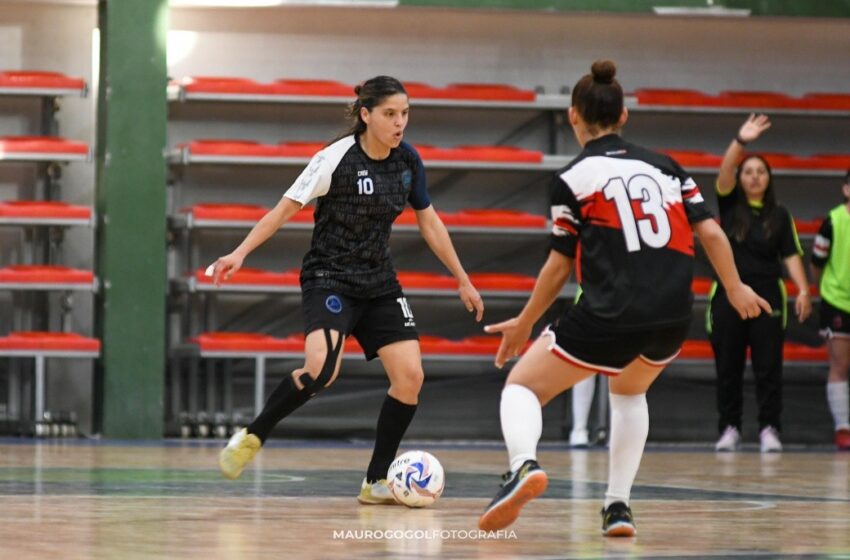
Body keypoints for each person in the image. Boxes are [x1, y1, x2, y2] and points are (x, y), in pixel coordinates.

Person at [477, 60, 770, 537]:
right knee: (630, 392)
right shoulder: (668, 167)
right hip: (672, 315)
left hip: (611, 311)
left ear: (573, 116)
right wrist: (735, 289)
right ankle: (617, 507)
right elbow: (712, 233)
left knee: (522, 387)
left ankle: (522, 466)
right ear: (624, 115)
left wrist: (526, 321)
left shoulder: (573, 177)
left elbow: (558, 266)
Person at [209, 76, 484, 504]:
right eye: (390, 114)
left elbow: (429, 221)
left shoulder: (408, 161)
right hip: (329, 278)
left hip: (379, 283)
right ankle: (252, 435)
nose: (399, 122)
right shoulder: (334, 159)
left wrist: (462, 278)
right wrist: (239, 252)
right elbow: (283, 210)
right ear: (366, 115)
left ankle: (375, 481)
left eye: (405, 113)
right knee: (321, 370)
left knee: (410, 377)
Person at [710, 114, 812, 454]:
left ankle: (770, 428)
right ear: (740, 179)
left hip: (769, 295)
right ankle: (729, 428)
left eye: (761, 171)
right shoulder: (729, 205)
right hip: (729, 294)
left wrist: (803, 289)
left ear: (769, 179)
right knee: (728, 367)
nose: (754, 176)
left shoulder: (780, 215)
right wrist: (741, 141)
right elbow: (725, 170)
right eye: (748, 171)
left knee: (769, 367)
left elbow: (791, 255)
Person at [811, 170, 850, 450]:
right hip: (837, 301)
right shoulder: (833, 221)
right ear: (846, 189)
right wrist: (825, 290)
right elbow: (816, 263)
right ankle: (843, 428)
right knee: (840, 365)